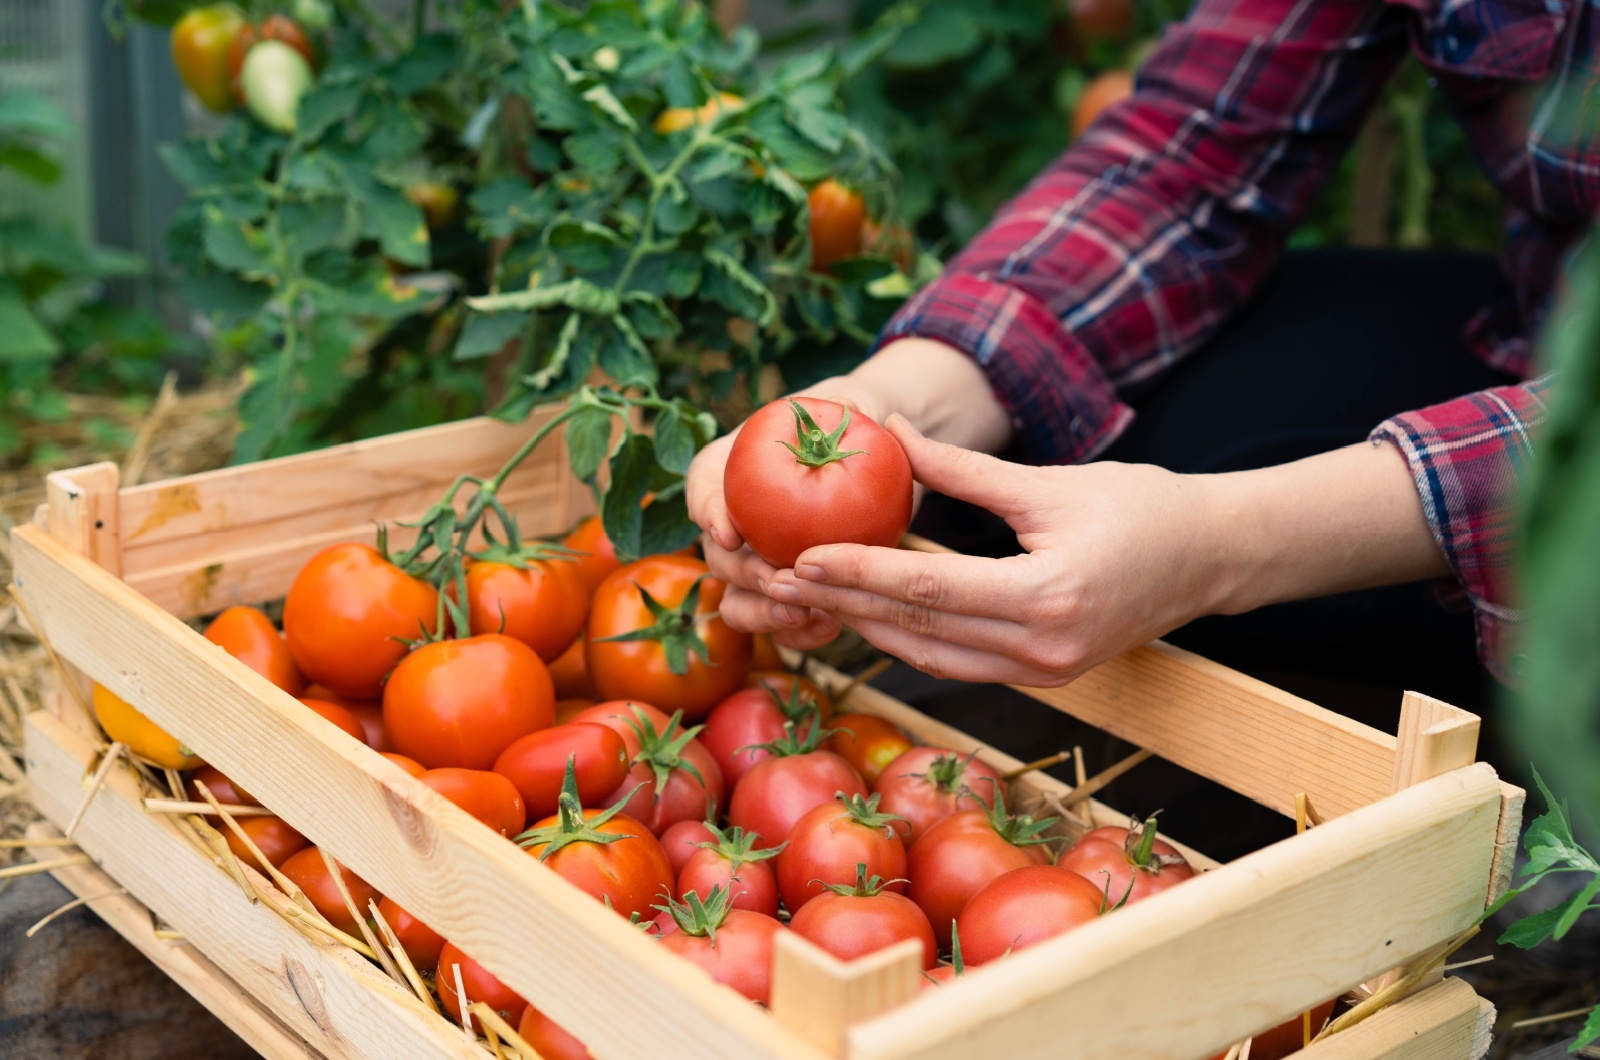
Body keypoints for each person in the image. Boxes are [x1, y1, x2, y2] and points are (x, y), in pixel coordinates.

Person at [686, 0, 1591, 690]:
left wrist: (1217, 547)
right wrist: (899, 395)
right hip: (1544, 327)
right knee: (1146, 442)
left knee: (1213, 558)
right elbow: (1195, 153)